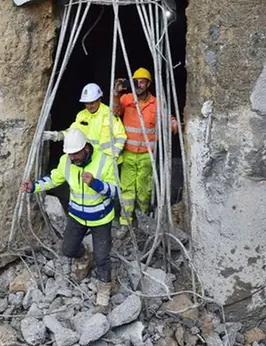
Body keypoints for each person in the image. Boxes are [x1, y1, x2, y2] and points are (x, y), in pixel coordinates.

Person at [21, 129, 118, 308]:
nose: (73, 158)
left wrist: (96, 184)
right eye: (70, 155)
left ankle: (104, 290)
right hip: (77, 216)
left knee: (102, 258)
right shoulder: (66, 161)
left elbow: (115, 191)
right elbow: (54, 178)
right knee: (68, 249)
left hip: (101, 218)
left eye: (76, 154)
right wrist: (33, 187)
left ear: (85, 148)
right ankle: (84, 257)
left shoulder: (104, 161)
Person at [112, 68, 178, 236]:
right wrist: (116, 94)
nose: (139, 84)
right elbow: (114, 112)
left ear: (148, 84)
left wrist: (174, 124)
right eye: (136, 81)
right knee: (127, 189)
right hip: (127, 153)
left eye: (142, 81)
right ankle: (125, 223)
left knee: (144, 190)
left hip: (147, 155)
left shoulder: (156, 103)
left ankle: (143, 219)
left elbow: (167, 118)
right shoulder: (126, 99)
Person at [42, 83, 127, 162]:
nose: (89, 106)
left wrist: (115, 154)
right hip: (91, 159)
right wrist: (57, 135)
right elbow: (73, 132)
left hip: (109, 160)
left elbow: (121, 136)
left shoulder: (109, 114)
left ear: (99, 99)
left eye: (92, 103)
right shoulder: (81, 115)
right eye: (86, 103)